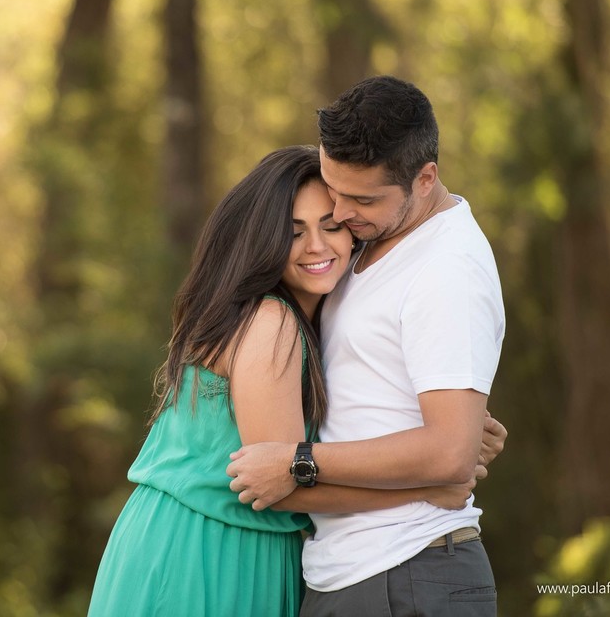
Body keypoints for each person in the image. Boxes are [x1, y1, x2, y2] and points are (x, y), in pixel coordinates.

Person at [88, 145, 503, 616]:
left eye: (331, 226)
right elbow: (284, 490)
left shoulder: (313, 321)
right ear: (263, 241)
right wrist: (429, 485)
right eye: (294, 232)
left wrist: (452, 438)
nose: (317, 246)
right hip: (208, 552)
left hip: (228, 545)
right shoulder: (273, 323)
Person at [227, 76, 507, 615]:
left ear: (425, 179)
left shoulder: (448, 269)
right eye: (335, 189)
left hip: (408, 569)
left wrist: (297, 462)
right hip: (351, 572)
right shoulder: (368, 242)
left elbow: (451, 454)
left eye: (362, 198)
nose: (340, 211)